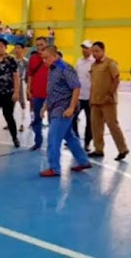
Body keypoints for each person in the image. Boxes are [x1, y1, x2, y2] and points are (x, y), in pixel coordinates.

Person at [39, 46, 92, 177]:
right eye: (42, 58)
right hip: (54, 106)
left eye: (46, 58)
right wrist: (45, 106)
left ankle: (54, 168)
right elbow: (53, 90)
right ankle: (83, 161)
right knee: (69, 136)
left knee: (53, 137)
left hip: (63, 108)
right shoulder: (52, 69)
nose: (44, 61)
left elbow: (76, 86)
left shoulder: (64, 67)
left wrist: (71, 107)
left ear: (55, 55)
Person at [89, 42, 129, 161]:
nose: (94, 54)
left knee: (112, 125)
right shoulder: (93, 66)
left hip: (108, 101)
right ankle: (98, 149)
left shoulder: (110, 63)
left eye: (96, 51)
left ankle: (123, 149)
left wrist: (110, 94)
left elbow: (116, 79)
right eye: (93, 51)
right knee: (96, 126)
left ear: (103, 50)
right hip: (95, 101)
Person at [72, 40, 94, 152]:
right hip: (79, 96)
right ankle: (74, 139)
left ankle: (87, 143)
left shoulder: (94, 62)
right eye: (83, 48)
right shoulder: (79, 62)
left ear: (91, 49)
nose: (84, 50)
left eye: (86, 48)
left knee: (90, 121)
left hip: (91, 97)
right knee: (73, 118)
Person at [27, 37, 48, 151]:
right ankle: (38, 142)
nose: (39, 47)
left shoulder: (52, 59)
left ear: (46, 45)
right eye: (38, 45)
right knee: (37, 119)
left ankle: (53, 144)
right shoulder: (33, 59)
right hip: (37, 94)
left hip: (51, 95)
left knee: (54, 121)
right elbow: (30, 75)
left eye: (42, 44)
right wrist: (29, 89)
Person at [14, 43, 28, 133]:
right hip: (12, 83)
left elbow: (29, 74)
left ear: (23, 49)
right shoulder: (12, 61)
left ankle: (22, 123)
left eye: (19, 48)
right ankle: (10, 122)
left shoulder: (26, 62)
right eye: (15, 48)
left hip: (22, 83)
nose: (17, 50)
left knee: (22, 103)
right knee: (11, 103)